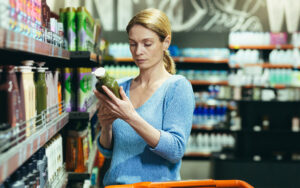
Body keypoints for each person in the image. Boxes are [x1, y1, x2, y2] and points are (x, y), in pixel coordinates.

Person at [94, 8, 195, 186]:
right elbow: (108, 152)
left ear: (166, 42)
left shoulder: (177, 87)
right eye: (133, 44)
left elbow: (175, 150)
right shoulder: (121, 87)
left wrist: (131, 117)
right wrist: (106, 126)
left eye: (147, 44)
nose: (138, 51)